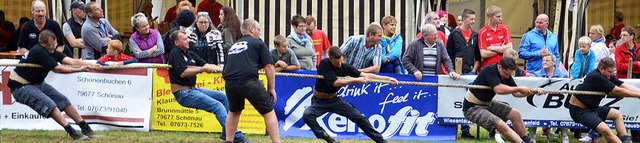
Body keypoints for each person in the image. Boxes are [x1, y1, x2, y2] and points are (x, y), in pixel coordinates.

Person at [8, 30, 99, 140]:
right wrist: (81, 70)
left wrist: (93, 64)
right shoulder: (39, 51)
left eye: (55, 44)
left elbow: (71, 61)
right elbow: (58, 69)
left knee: (64, 101)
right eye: (51, 45)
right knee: (50, 105)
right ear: (42, 44)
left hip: (37, 83)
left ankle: (86, 128)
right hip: (21, 87)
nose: (53, 48)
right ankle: (72, 132)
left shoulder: (51, 51)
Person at [167, 30, 250, 143]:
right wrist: (202, 69)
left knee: (223, 97)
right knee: (217, 106)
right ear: (176, 42)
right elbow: (183, 72)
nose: (188, 40)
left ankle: (227, 133)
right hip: (183, 93)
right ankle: (237, 136)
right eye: (184, 39)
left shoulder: (190, 54)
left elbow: (207, 65)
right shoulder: (175, 53)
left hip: (192, 89)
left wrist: (227, 69)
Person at [303, 46, 398, 143]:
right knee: (307, 115)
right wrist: (355, 80)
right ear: (330, 59)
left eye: (341, 61)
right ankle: (327, 138)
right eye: (337, 62)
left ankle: (381, 141)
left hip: (334, 99)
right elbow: (335, 82)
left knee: (361, 118)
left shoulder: (345, 67)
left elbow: (365, 75)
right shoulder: (325, 64)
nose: (339, 64)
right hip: (319, 101)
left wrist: (387, 79)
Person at [222, 19, 280, 143]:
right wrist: (272, 89)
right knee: (269, 112)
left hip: (230, 83)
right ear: (251, 29)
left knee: (234, 111)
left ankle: (228, 141)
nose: (260, 32)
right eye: (258, 29)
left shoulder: (234, 45)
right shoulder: (258, 43)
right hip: (248, 81)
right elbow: (269, 66)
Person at [463, 57, 543, 143]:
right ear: (500, 67)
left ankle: (526, 140)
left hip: (487, 104)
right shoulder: (489, 70)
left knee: (515, 114)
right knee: (501, 124)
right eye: (506, 74)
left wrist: (533, 92)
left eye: (509, 75)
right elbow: (498, 89)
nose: (507, 77)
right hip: (472, 107)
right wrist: (519, 88)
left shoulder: (506, 74)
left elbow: (516, 93)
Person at [568, 57, 640, 143]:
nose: (611, 74)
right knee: (605, 130)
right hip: (579, 110)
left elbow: (623, 85)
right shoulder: (596, 76)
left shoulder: (607, 75)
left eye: (612, 71)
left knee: (616, 114)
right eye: (609, 71)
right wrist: (638, 95)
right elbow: (618, 91)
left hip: (591, 108)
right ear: (601, 68)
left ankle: (627, 141)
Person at [447, 9, 480, 75]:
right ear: (464, 19)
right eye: (471, 19)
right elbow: (448, 54)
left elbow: (478, 56)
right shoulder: (454, 34)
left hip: (470, 71)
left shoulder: (475, 35)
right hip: (456, 72)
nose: (473, 21)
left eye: (474, 19)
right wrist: (451, 70)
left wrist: (474, 70)